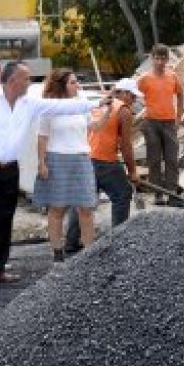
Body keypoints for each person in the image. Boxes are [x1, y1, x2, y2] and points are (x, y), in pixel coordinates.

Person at [0, 60, 96, 292]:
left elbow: (60, 107)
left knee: (2, 220)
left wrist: (96, 102)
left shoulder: (28, 103)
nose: (30, 83)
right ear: (12, 81)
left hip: (9, 168)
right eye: (26, 79)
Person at [65, 77, 143, 253]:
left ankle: (70, 243)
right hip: (103, 161)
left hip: (83, 157)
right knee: (122, 194)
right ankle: (118, 240)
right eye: (132, 96)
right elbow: (126, 145)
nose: (134, 100)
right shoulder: (123, 111)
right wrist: (132, 172)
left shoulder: (97, 103)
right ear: (122, 93)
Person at [34, 69, 98, 262]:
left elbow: (92, 127)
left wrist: (107, 114)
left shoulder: (81, 104)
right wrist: (42, 162)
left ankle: (89, 253)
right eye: (72, 82)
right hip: (57, 158)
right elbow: (42, 137)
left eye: (77, 82)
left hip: (81, 158)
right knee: (57, 208)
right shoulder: (49, 108)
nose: (77, 85)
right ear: (62, 85)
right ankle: (57, 253)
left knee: (86, 207)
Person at [136, 44, 183, 205]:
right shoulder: (144, 79)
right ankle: (158, 194)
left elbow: (181, 95)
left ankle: (172, 193)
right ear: (152, 58)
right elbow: (132, 94)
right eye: (157, 58)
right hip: (151, 123)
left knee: (172, 159)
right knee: (154, 160)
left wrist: (179, 118)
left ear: (167, 60)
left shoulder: (173, 77)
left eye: (163, 58)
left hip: (169, 123)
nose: (160, 62)